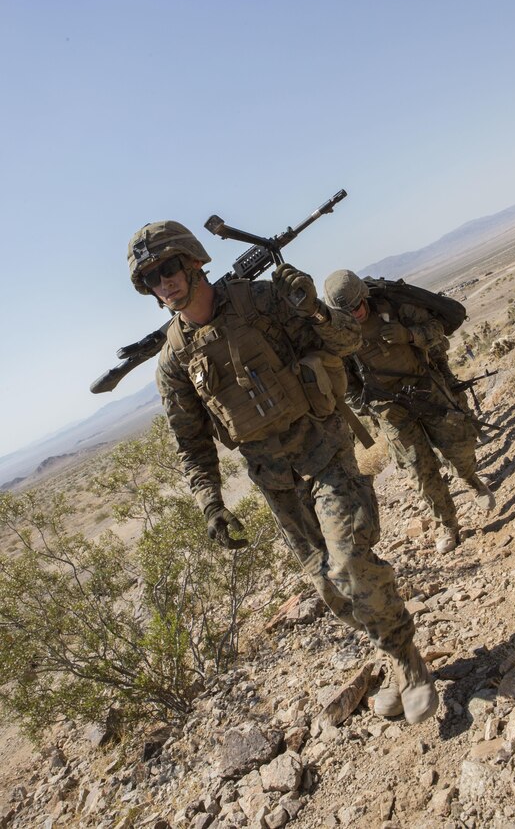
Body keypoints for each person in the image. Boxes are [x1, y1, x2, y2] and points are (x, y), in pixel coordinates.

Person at [127, 220, 438, 723]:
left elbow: (346, 341)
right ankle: (389, 651)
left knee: (351, 561)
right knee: (330, 589)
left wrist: (313, 307)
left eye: (168, 268)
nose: (164, 282)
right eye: (151, 278)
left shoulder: (263, 301)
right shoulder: (174, 360)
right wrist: (211, 503)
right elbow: (191, 443)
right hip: (275, 482)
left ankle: (409, 661)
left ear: (193, 261)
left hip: (323, 451)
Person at [322, 270, 495, 555]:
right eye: (348, 312)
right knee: (420, 470)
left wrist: (409, 335)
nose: (356, 314)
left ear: (365, 297)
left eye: (358, 306)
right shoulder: (341, 338)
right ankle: (448, 525)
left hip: (426, 389)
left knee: (460, 448)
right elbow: (345, 381)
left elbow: (435, 329)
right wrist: (367, 406)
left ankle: (472, 481)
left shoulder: (395, 307)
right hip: (390, 409)